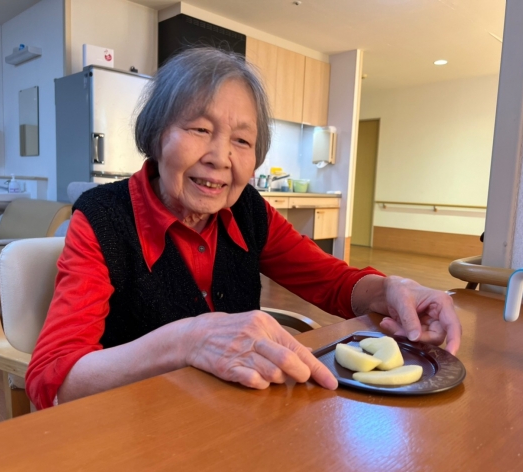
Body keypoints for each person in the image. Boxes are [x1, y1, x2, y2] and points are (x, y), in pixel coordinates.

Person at [26, 47, 461, 409]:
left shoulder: (248, 211)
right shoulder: (102, 217)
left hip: (231, 418)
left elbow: (332, 281)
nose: (220, 157)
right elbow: (52, 379)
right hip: (131, 428)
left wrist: (390, 290)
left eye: (241, 140)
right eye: (199, 128)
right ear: (157, 136)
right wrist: (187, 340)